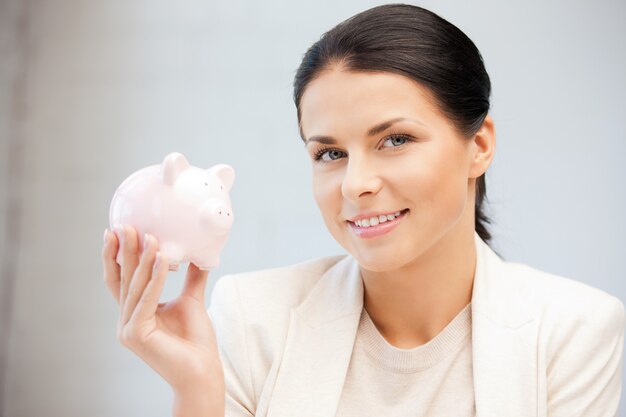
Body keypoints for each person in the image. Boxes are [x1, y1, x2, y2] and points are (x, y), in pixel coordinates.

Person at [102, 4, 625, 417]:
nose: (355, 185)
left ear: (480, 145)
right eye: (330, 153)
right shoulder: (253, 317)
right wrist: (196, 392)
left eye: (395, 140)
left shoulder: (574, 332)